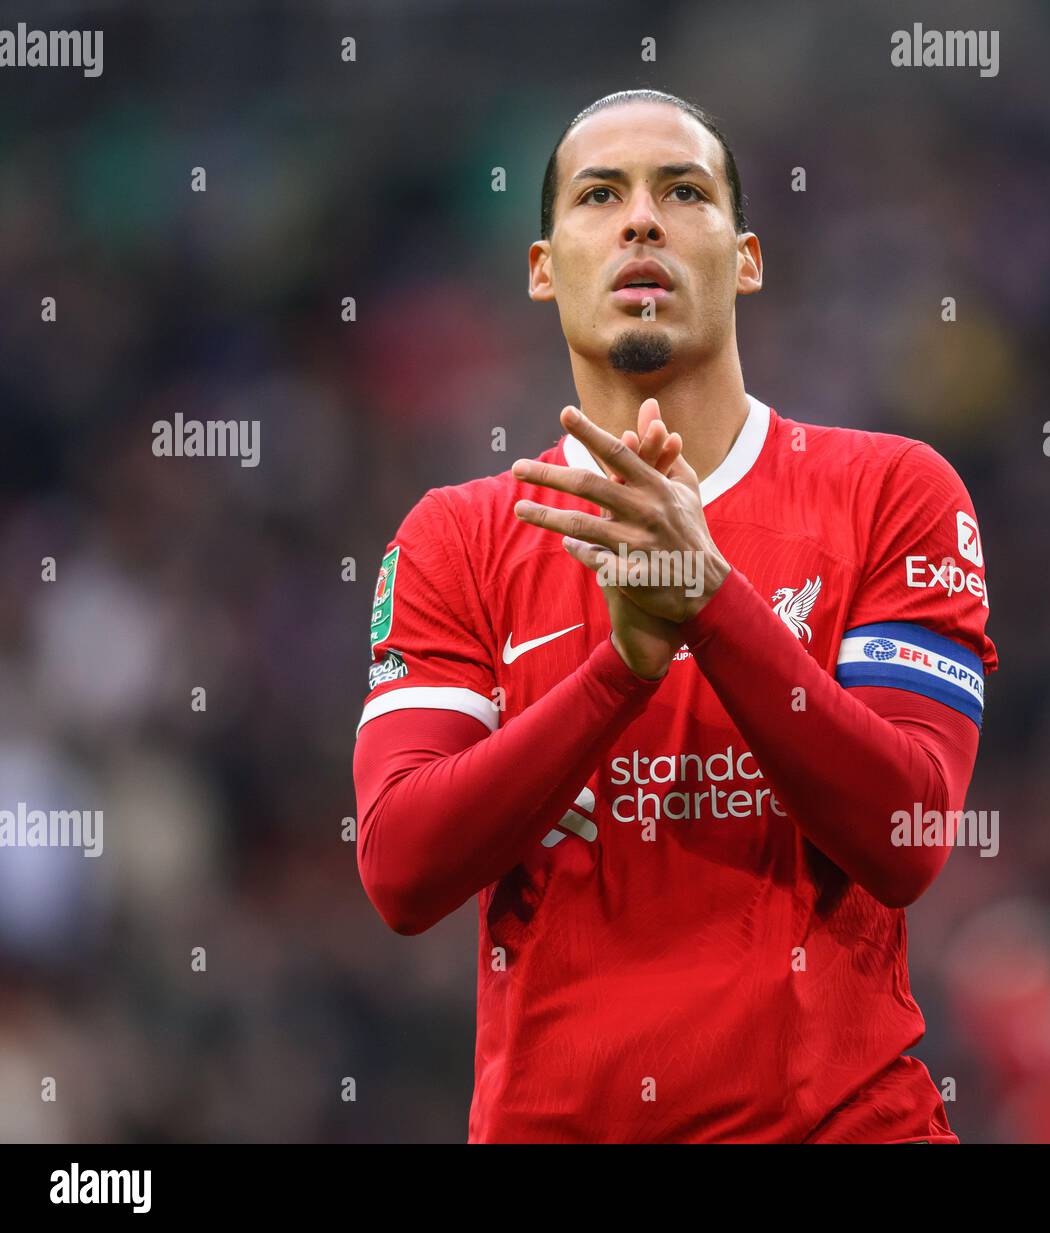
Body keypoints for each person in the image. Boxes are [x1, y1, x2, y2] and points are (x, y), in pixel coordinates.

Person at [352, 88, 997, 1143]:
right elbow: (400, 869)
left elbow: (908, 837)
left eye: (681, 191)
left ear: (744, 258)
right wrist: (622, 671)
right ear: (543, 269)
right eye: (600, 195)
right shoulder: (456, 538)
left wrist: (708, 603)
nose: (641, 219)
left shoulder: (890, 492)